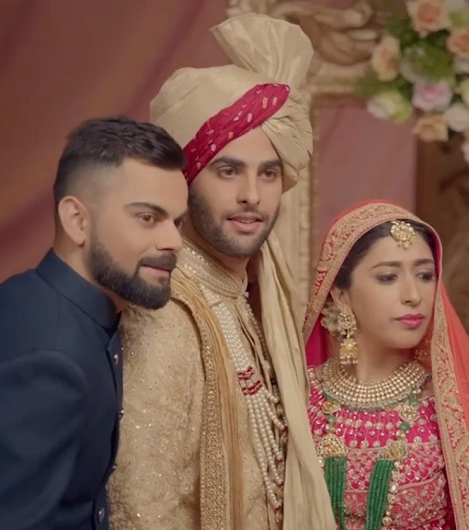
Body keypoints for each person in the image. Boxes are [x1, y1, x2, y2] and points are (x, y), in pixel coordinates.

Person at [108, 13, 334, 530]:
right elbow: (143, 510)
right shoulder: (165, 314)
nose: (252, 195)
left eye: (268, 173)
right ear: (184, 180)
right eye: (227, 171)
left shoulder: (246, 297)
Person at [0, 116, 188, 530]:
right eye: (148, 217)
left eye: (177, 222)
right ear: (77, 220)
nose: (174, 241)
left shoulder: (61, 307)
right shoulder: (48, 358)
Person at [304, 200, 469, 530]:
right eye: (388, 277)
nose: (413, 295)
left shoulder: (456, 408)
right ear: (341, 295)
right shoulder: (299, 396)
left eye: (425, 275)